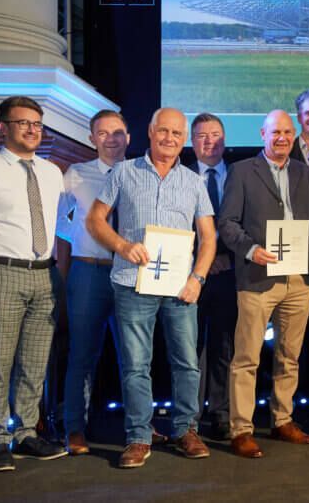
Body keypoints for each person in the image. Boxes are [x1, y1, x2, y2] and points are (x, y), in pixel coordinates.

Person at [86, 107, 217, 469]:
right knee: (134, 366)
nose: (169, 139)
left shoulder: (193, 182)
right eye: (163, 132)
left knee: (188, 365)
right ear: (150, 131)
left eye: (177, 133)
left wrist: (198, 279)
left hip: (180, 288)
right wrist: (122, 246)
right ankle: (139, 437)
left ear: (183, 138)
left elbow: (208, 237)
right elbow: (95, 220)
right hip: (132, 284)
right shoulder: (123, 172)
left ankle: (185, 430)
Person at [0, 95, 68, 472]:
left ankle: (25, 433)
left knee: (35, 362)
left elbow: (61, 225)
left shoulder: (52, 173)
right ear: (2, 127)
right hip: (1, 272)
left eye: (37, 123)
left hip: (45, 274)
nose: (32, 129)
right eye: (24, 123)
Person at [218, 110, 309, 458]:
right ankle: (241, 429)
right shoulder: (242, 171)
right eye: (275, 131)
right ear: (262, 133)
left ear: (295, 135)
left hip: (299, 277)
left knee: (289, 356)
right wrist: (251, 249)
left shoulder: (305, 174)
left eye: (287, 132)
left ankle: (282, 419)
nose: (281, 138)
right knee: (246, 357)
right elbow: (228, 223)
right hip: (257, 277)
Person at [56, 109, 130, 456]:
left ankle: (138, 429)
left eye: (118, 132)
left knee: (135, 357)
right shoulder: (76, 175)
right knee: (82, 354)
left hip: (130, 274)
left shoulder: (140, 173)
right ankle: (75, 429)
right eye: (103, 133)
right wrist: (71, 268)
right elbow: (60, 227)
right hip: (89, 273)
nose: (111, 139)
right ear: (92, 139)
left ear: (128, 137)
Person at [189, 112, 236, 441]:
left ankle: (221, 412)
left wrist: (225, 259)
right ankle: (189, 416)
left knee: (224, 347)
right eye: (203, 136)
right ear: (192, 142)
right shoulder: (180, 176)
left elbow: (251, 222)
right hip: (189, 275)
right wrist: (200, 262)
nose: (210, 141)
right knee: (189, 348)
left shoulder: (239, 175)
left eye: (215, 135)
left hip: (231, 274)